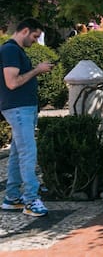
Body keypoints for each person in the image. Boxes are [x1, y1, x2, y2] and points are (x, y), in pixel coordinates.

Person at [1, 19, 54, 217]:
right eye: (34, 36)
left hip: (23, 108)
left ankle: (12, 197)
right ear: (24, 31)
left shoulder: (15, 51)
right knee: (28, 153)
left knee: (17, 152)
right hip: (18, 109)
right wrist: (37, 70)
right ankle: (31, 200)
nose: (35, 41)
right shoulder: (10, 50)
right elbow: (12, 82)